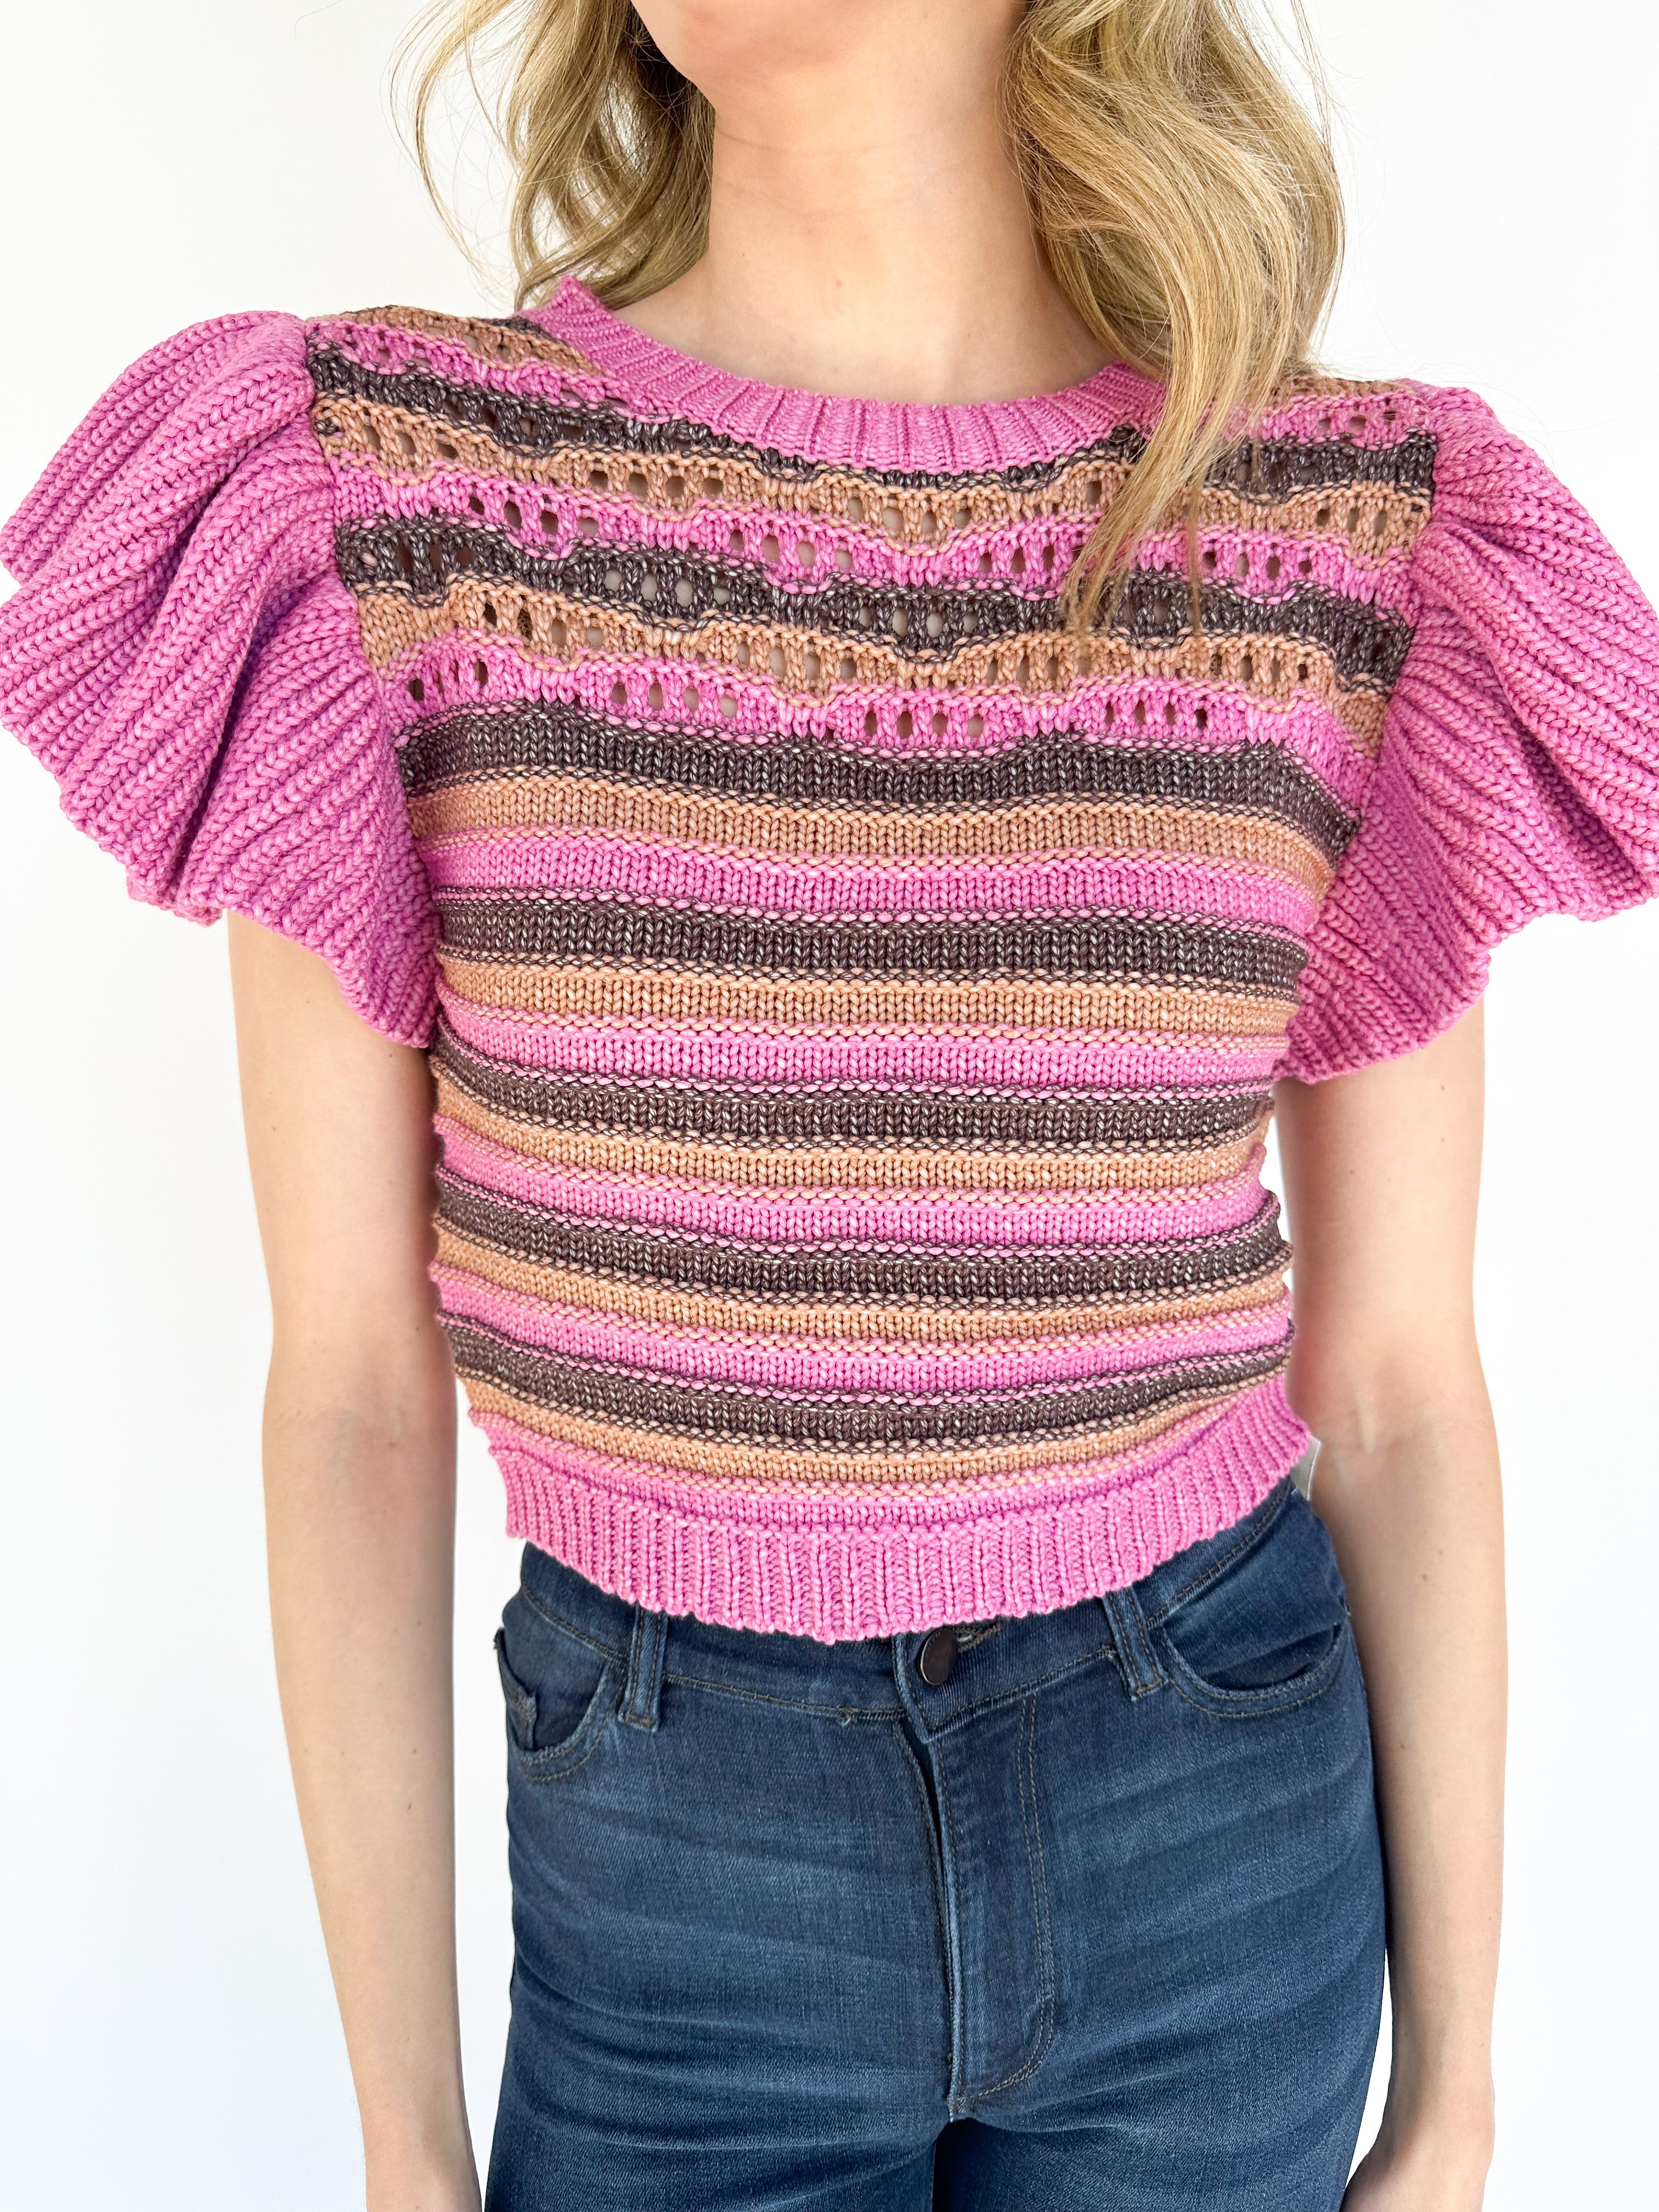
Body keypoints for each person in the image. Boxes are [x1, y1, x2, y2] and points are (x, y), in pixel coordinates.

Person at [3, 2, 1656, 2206]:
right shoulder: (383, 506)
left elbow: (1399, 1384)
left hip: (1210, 1812)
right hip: (677, 1871)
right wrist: (404, 2141)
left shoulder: (1338, 539)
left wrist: (1458, 2093)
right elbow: (355, 1398)